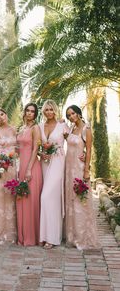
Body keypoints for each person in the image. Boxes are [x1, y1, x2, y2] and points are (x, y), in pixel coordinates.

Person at [65, 105, 99, 250]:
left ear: (78, 113)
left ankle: (83, 237)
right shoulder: (71, 128)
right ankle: (72, 236)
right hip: (68, 168)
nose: (71, 117)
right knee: (71, 201)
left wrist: (86, 170)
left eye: (73, 113)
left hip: (79, 168)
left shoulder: (87, 128)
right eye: (68, 115)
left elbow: (89, 149)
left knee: (81, 201)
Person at [39, 99, 69, 249]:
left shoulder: (63, 125)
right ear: (43, 112)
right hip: (44, 164)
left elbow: (76, 140)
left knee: (46, 196)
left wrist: (83, 155)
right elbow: (37, 146)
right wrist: (41, 154)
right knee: (52, 199)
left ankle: (52, 237)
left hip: (58, 162)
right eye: (46, 110)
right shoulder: (39, 126)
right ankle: (46, 235)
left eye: (51, 109)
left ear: (55, 110)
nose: (49, 112)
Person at [16, 103, 43, 246]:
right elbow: (17, 149)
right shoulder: (21, 128)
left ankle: (32, 237)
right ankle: (22, 236)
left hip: (31, 166)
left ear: (35, 114)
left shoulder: (35, 128)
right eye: (27, 110)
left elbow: (35, 149)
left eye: (32, 111)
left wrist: (28, 169)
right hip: (21, 166)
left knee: (31, 201)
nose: (29, 113)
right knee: (22, 199)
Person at [0, 108, 17, 244]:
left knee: (10, 195)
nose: (1, 117)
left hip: (12, 166)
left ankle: (11, 232)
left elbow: (18, 148)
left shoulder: (14, 130)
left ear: (6, 114)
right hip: (0, 166)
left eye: (2, 114)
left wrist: (13, 156)